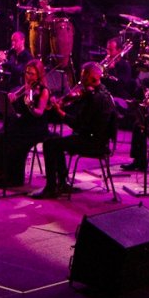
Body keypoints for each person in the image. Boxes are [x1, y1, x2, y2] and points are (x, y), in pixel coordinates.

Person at [32, 61, 117, 199]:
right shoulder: (104, 93)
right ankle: (62, 183)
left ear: (93, 77)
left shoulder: (95, 98)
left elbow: (79, 125)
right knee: (54, 140)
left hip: (92, 142)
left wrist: (61, 113)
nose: (81, 81)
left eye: (84, 77)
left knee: (49, 144)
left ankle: (51, 188)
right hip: (99, 140)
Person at [0, 60, 60, 190]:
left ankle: (14, 178)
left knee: (13, 140)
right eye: (27, 73)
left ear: (39, 75)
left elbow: (39, 113)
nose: (28, 76)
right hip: (24, 123)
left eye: (32, 74)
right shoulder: (27, 87)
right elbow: (15, 97)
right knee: (1, 135)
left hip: (36, 127)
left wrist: (30, 106)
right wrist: (12, 97)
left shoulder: (44, 91)